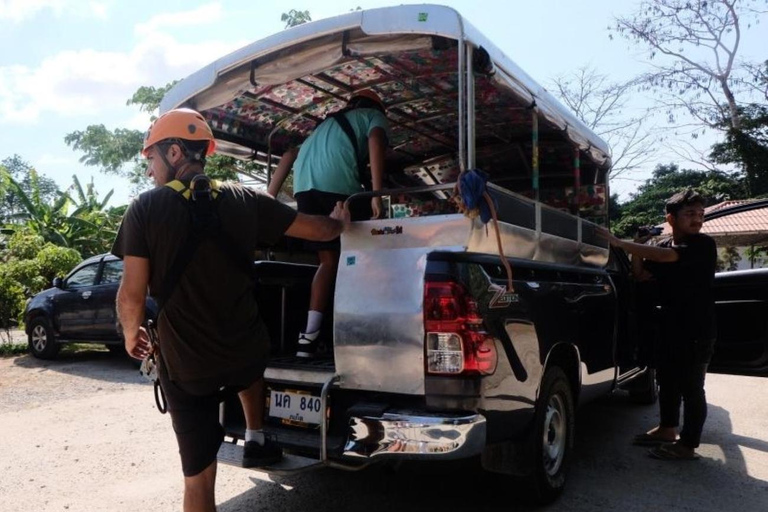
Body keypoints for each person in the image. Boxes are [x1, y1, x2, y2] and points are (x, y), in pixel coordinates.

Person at [112, 108, 350, 512]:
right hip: (244, 354)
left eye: (151, 158)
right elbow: (318, 230)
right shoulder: (247, 199)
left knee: (199, 481)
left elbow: (131, 296)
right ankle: (256, 436)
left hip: (188, 369)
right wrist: (339, 222)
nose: (150, 170)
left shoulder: (145, 209)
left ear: (173, 153)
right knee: (251, 360)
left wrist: (131, 332)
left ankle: (247, 441)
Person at [268, 89, 390, 358]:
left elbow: (289, 154)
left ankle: (308, 338)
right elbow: (377, 140)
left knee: (328, 262)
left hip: (304, 189)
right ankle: (363, 330)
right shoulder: (373, 117)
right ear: (377, 108)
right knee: (365, 255)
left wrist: (268, 199)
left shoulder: (324, 126)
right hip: (338, 188)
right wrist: (377, 194)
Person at [603, 189, 717, 461]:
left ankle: (687, 445)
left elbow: (668, 259)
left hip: (696, 328)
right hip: (669, 325)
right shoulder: (663, 245)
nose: (697, 219)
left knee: (691, 387)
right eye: (690, 214)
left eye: (700, 214)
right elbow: (639, 274)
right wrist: (636, 245)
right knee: (667, 381)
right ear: (671, 218)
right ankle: (667, 429)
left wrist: (619, 243)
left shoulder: (702, 244)